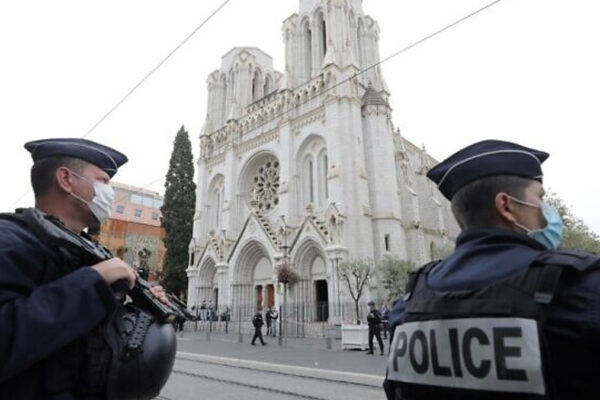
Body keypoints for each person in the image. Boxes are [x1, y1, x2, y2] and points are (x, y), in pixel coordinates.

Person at [384, 140, 600, 400]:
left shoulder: (406, 307)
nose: (547, 209)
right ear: (506, 206)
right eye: (540, 196)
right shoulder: (583, 289)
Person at [0, 138, 171, 399]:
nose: (109, 192)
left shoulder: (90, 252)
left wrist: (143, 311)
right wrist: (94, 281)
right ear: (66, 179)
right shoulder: (10, 240)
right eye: (103, 181)